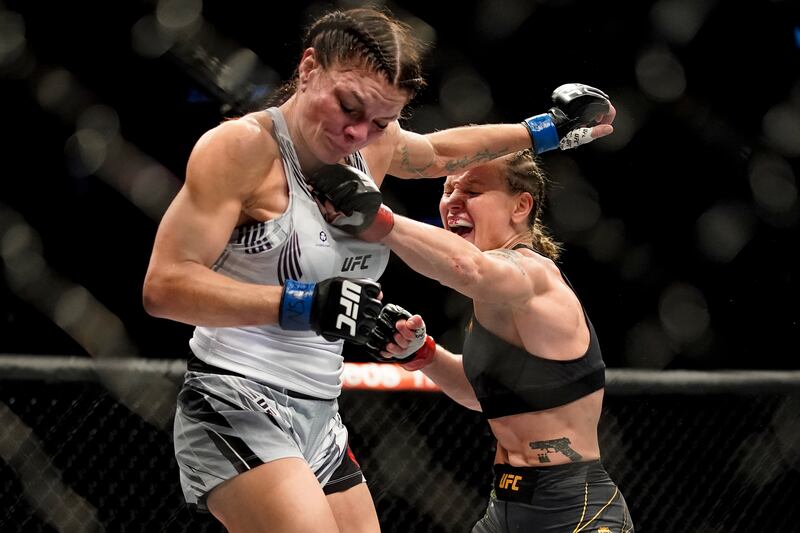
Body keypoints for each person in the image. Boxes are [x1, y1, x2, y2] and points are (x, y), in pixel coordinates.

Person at [142, 6, 615, 533]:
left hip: (321, 413)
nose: (358, 133)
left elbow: (438, 152)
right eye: (349, 108)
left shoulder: (371, 144)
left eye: (382, 122)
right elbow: (164, 286)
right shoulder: (244, 148)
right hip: (235, 394)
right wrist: (300, 303)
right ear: (308, 69)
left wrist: (545, 132)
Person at [345, 148, 633, 531]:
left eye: (473, 191)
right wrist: (424, 354)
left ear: (520, 206)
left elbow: (465, 268)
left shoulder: (532, 274)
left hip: (574, 512)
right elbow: (482, 396)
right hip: (505, 507)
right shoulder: (493, 295)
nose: (454, 203)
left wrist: (376, 216)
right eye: (448, 190)